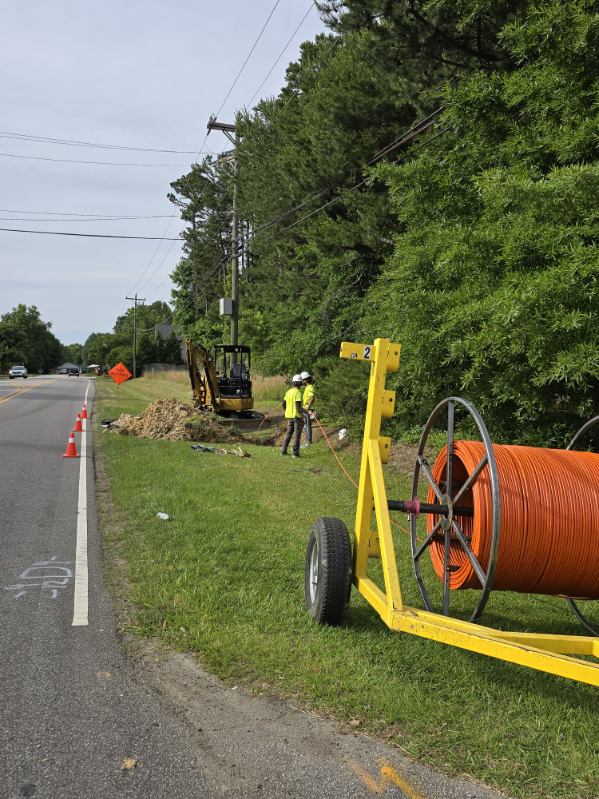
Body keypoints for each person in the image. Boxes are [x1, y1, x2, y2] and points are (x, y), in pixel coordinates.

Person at [280, 374, 304, 458]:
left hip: (289, 416)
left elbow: (283, 404)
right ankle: (295, 453)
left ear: (293, 383)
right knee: (297, 435)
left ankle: (283, 450)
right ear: (300, 383)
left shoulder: (288, 392)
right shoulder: (298, 393)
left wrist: (287, 410)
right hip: (296, 417)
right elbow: (298, 407)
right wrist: (307, 412)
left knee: (289, 433)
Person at [300, 370, 315, 447]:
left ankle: (308, 442)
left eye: (302, 379)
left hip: (307, 409)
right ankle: (306, 440)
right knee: (306, 425)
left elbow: (312, 397)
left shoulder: (310, 387)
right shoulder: (308, 387)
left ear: (306, 379)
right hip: (305, 409)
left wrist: (308, 408)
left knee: (308, 425)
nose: (302, 381)